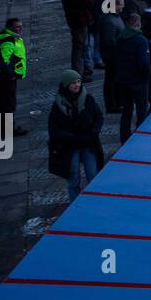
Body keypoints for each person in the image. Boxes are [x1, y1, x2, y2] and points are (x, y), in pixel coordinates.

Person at [47, 69, 105, 201]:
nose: (77, 85)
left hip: (88, 143)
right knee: (73, 178)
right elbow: (55, 130)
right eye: (73, 83)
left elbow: (99, 117)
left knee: (93, 174)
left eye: (79, 81)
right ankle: (75, 205)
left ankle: (94, 202)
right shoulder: (58, 106)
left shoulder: (88, 99)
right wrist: (73, 138)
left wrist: (94, 131)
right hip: (70, 147)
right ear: (66, 85)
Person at [115, 12, 151, 142]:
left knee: (126, 111)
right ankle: (141, 138)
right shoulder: (140, 40)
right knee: (142, 110)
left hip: (123, 80)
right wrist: (146, 76)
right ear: (137, 24)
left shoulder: (120, 37)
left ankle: (124, 138)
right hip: (138, 81)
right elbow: (144, 64)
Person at [0, 17, 28, 136]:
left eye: (21, 26)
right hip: (5, 78)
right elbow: (1, 62)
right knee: (8, 104)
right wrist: (11, 75)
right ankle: (8, 130)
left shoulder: (12, 38)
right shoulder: (8, 41)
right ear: (10, 28)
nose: (20, 28)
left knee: (3, 103)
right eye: (17, 26)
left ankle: (3, 129)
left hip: (2, 76)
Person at [61, 0, 95, 78]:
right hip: (79, 23)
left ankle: (81, 70)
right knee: (79, 48)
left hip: (76, 22)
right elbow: (88, 1)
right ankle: (78, 73)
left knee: (80, 47)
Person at [97, 0, 125, 114]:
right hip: (112, 56)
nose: (123, 6)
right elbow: (109, 41)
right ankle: (112, 105)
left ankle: (118, 102)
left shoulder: (114, 17)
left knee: (114, 80)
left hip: (114, 55)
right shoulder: (109, 20)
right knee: (111, 80)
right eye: (121, 4)